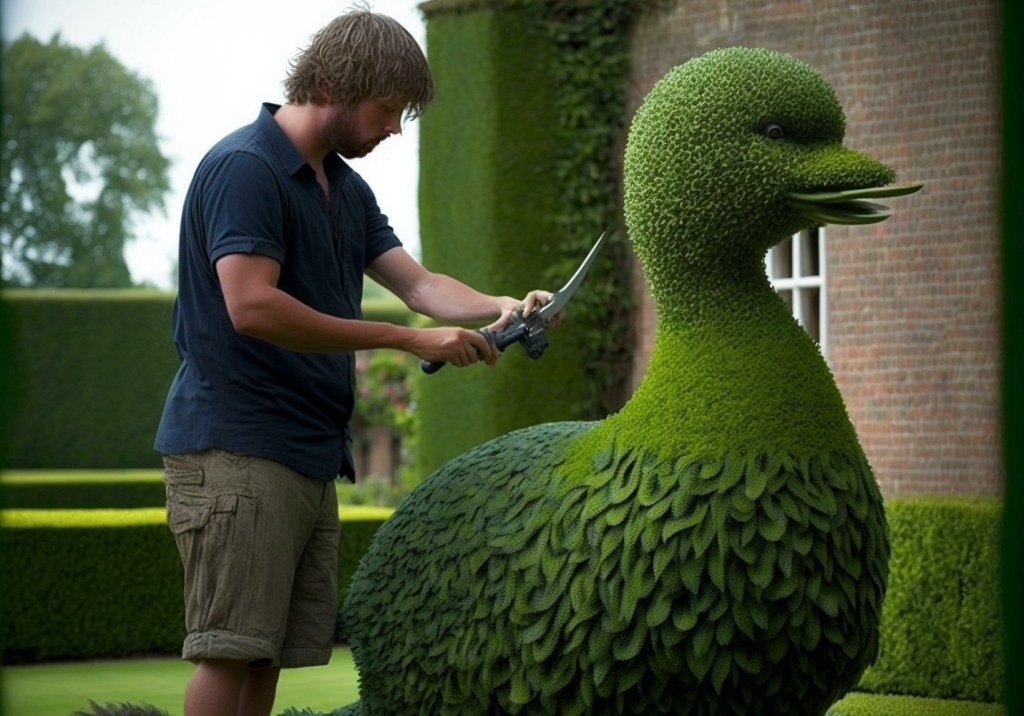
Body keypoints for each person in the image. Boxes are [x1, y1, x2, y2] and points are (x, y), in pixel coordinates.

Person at [154, 7, 557, 716]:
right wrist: (405, 340)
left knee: (264, 655)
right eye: (388, 108)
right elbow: (252, 306)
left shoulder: (345, 187)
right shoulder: (246, 169)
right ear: (337, 82)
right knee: (229, 649)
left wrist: (501, 306)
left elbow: (420, 285)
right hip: (237, 444)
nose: (394, 127)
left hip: (304, 452)